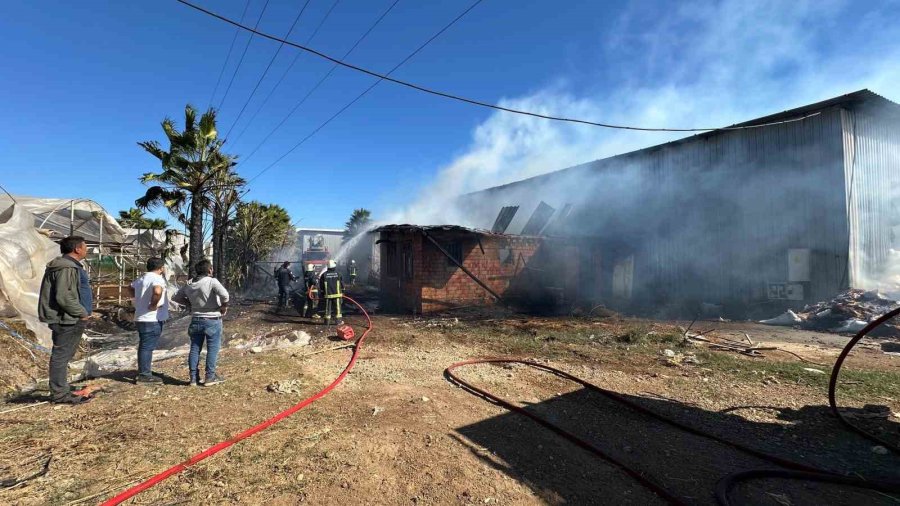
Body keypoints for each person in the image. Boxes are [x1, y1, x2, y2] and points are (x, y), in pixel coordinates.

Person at [38, 236, 93, 404]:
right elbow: (64, 296)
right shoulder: (66, 268)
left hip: (70, 317)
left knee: (64, 355)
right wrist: (82, 313)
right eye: (85, 247)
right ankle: (60, 394)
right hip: (67, 319)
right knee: (61, 356)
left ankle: (61, 388)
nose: (87, 250)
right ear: (77, 249)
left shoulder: (69, 266)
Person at [172, 259, 229, 387]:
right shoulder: (212, 281)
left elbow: (175, 297)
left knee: (194, 348)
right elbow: (225, 295)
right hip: (212, 319)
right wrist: (224, 306)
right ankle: (210, 376)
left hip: (196, 319)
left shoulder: (190, 284)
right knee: (212, 349)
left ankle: (193, 378)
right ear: (209, 270)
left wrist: (189, 304)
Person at [131, 257, 169, 384]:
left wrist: (138, 299)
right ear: (161, 268)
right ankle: (144, 374)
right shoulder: (157, 278)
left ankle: (145, 370)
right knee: (147, 347)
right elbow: (157, 291)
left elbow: (129, 288)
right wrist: (153, 304)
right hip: (152, 318)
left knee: (144, 345)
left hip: (141, 316)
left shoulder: (142, 278)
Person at [319, 260, 343, 325]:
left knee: (327, 309)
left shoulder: (324, 275)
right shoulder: (338, 274)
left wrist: (322, 293)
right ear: (334, 267)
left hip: (328, 295)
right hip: (337, 294)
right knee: (338, 309)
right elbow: (342, 284)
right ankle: (338, 322)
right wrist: (343, 291)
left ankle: (327, 322)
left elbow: (321, 286)